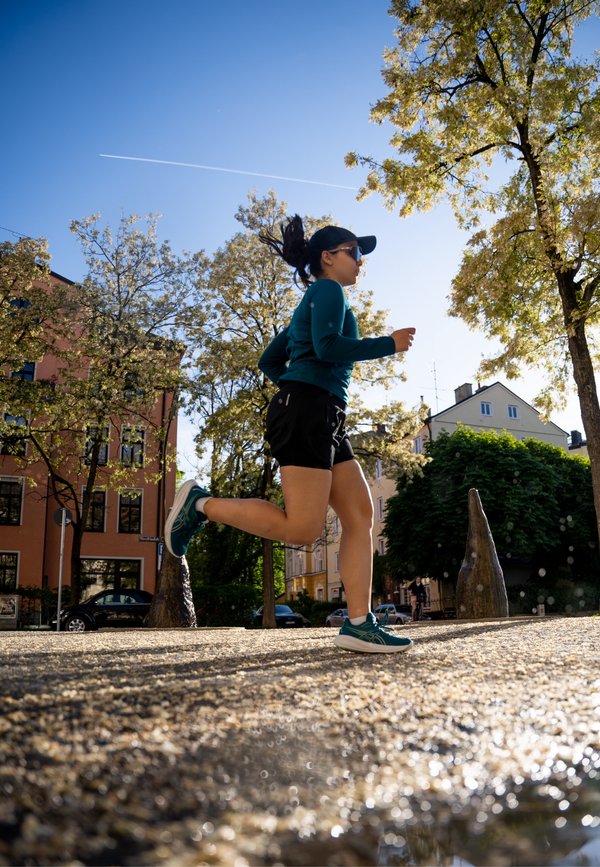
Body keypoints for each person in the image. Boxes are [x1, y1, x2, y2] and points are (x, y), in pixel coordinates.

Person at [165, 215, 416, 653]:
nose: (361, 263)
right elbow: (327, 348)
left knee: (360, 516)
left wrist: (298, 381)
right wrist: (386, 344)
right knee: (302, 528)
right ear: (328, 257)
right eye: (355, 253)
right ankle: (199, 504)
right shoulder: (327, 291)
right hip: (308, 410)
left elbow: (269, 360)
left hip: (322, 413)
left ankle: (359, 623)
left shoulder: (315, 300)